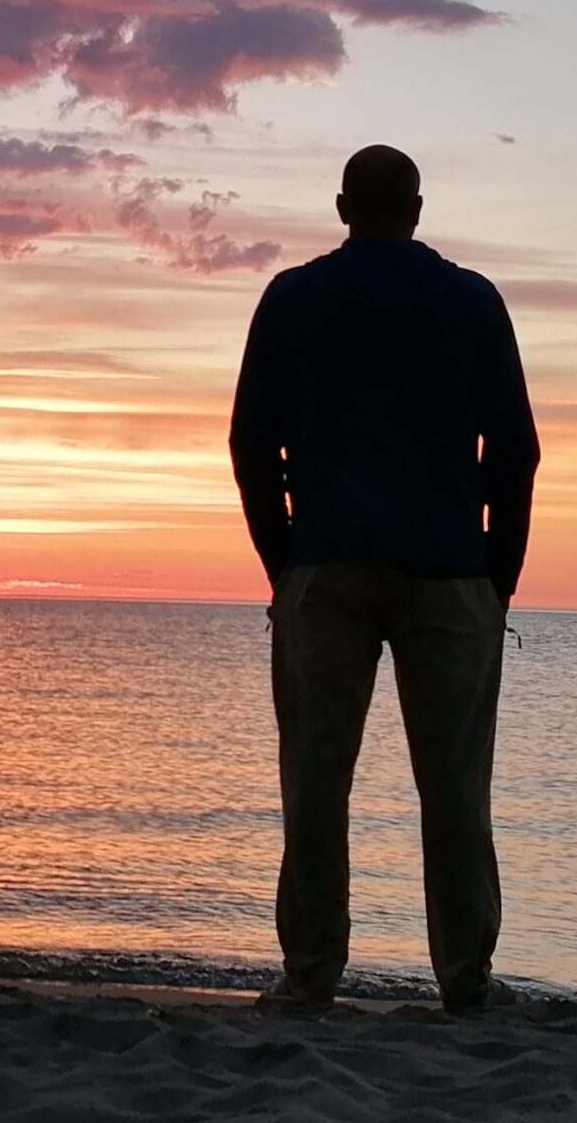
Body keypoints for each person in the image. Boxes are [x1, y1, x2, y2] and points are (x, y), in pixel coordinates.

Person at [229, 143, 539, 1017]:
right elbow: (515, 451)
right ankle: (466, 980)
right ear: (418, 209)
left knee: (315, 781)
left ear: (341, 208)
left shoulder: (294, 298)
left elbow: (251, 444)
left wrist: (284, 563)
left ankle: (310, 975)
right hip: (449, 567)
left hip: (327, 563)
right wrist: (499, 575)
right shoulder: (472, 300)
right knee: (455, 788)